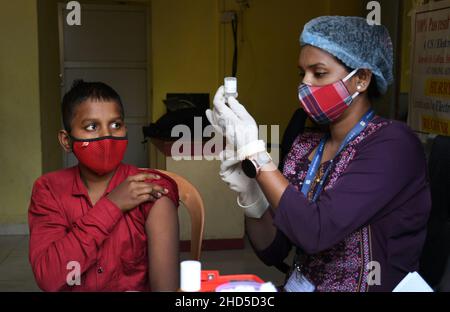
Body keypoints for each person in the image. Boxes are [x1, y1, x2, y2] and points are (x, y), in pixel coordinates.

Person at [207, 16, 431, 292]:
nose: (306, 84)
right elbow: (273, 251)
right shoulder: (306, 144)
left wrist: (257, 157)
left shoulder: (393, 144)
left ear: (361, 78)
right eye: (302, 73)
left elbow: (317, 232)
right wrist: (252, 199)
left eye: (319, 73)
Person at [28, 81, 180, 292]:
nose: (106, 136)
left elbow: (165, 289)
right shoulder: (49, 190)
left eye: (116, 125)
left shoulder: (150, 189)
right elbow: (49, 277)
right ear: (66, 140)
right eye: (91, 126)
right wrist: (111, 205)